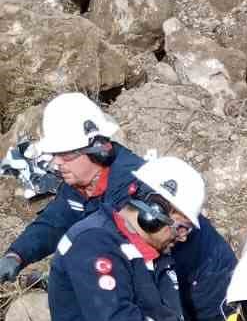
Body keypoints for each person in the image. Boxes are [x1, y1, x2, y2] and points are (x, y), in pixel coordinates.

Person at [46, 157, 191, 321]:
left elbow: (169, 314)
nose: (181, 237)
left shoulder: (150, 252)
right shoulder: (94, 244)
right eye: (180, 227)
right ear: (153, 212)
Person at [0, 94, 143, 283]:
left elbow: (121, 255)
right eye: (55, 154)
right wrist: (16, 255)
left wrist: (66, 278)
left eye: (65, 155)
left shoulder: (133, 186)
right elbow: (54, 222)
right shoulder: (81, 182)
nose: (57, 162)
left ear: (99, 151)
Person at [142, 155, 237, 321]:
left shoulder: (187, 251)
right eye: (182, 228)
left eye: (186, 228)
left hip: (209, 287)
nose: (183, 236)